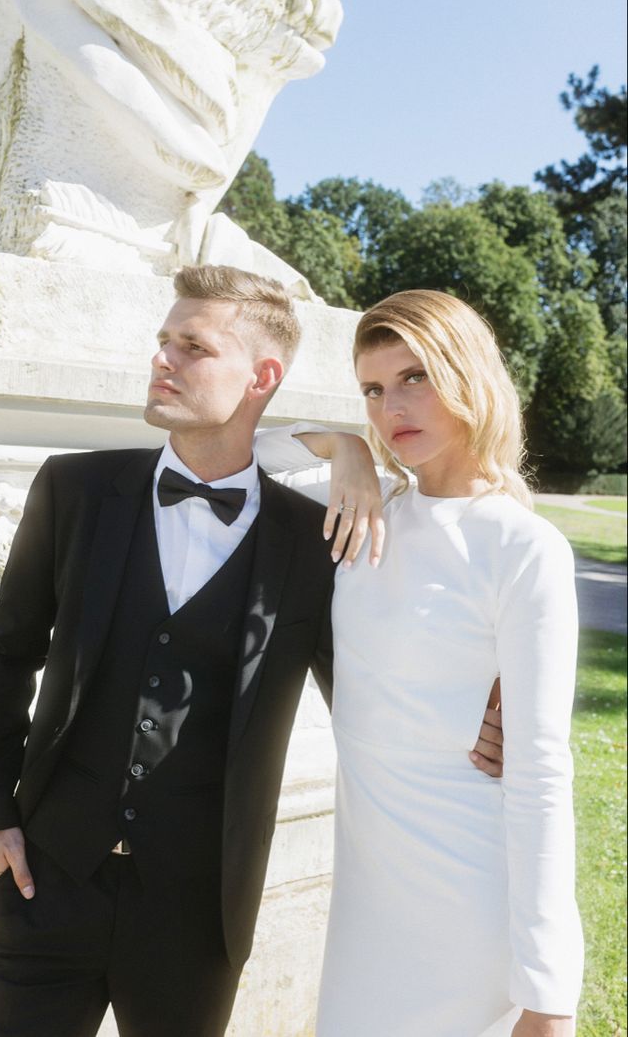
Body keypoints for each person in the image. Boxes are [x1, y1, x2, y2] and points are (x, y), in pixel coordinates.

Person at [0, 267, 501, 1037]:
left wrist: (479, 708)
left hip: (198, 914)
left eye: (194, 346)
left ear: (262, 377)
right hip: (41, 884)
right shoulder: (76, 491)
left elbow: (370, 694)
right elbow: (5, 652)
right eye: (163, 341)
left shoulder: (312, 546)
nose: (164, 359)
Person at [257, 289, 583, 1037]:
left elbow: (539, 776)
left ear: (468, 377)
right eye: (372, 389)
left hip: (468, 905)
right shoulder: (363, 514)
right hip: (368, 902)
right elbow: (241, 453)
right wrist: (345, 448)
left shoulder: (521, 548)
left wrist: (549, 991)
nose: (389, 408)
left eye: (415, 378)